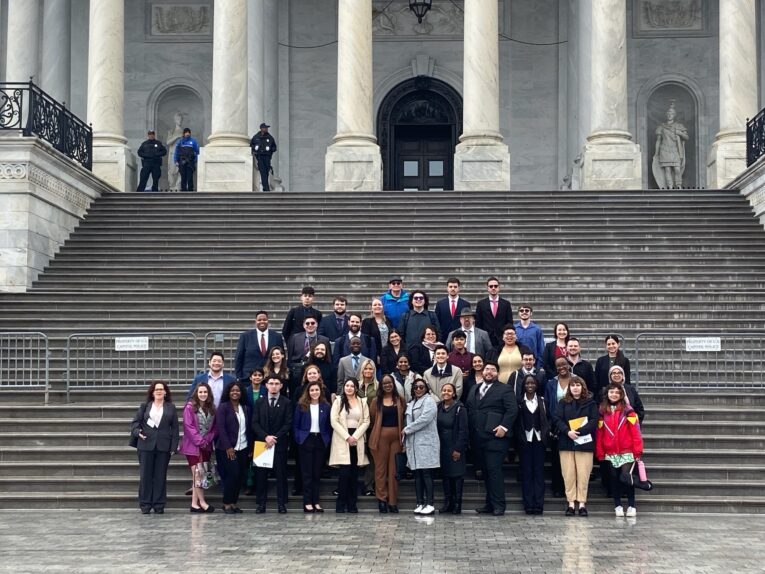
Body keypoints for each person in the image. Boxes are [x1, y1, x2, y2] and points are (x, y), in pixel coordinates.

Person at [466, 362, 517, 516]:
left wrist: (504, 427)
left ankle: (499, 505)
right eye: (487, 369)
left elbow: (512, 410)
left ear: (497, 373)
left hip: (495, 438)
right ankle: (489, 504)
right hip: (477, 437)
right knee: (486, 472)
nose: (489, 372)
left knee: (494, 471)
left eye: (492, 370)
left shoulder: (505, 389)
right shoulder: (475, 388)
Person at [130, 380, 179, 514]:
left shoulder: (171, 407)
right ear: (152, 392)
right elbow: (135, 423)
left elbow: (175, 429)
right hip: (145, 445)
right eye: (156, 389)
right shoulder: (145, 406)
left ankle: (159, 504)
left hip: (163, 446)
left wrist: (174, 446)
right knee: (145, 476)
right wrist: (138, 432)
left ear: (165, 392)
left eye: (161, 389)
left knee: (160, 476)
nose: (158, 391)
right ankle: (145, 504)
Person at [596, 383, 644, 518]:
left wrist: (637, 450)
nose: (614, 395)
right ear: (607, 394)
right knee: (614, 479)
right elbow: (599, 432)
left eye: (617, 392)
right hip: (610, 451)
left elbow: (636, 431)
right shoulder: (602, 411)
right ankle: (617, 505)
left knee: (626, 478)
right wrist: (600, 450)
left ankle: (631, 506)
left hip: (626, 450)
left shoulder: (629, 410)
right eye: (611, 392)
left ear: (621, 394)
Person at [552, 376, 598, 517]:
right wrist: (567, 431)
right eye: (573, 385)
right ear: (569, 388)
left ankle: (582, 504)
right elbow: (556, 419)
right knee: (568, 474)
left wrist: (579, 432)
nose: (575, 388)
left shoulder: (590, 403)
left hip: (584, 443)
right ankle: (571, 504)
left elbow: (594, 420)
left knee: (583, 475)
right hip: (566, 443)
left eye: (578, 385)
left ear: (582, 387)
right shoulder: (563, 403)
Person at [251, 376, 293, 514]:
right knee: (261, 476)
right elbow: (254, 422)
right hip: (262, 444)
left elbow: (288, 423)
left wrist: (274, 437)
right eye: (271, 383)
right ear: (266, 385)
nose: (273, 386)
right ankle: (261, 504)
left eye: (276, 383)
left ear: (281, 385)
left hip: (279, 443)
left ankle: (281, 504)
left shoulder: (287, 402)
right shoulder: (259, 402)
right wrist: (265, 436)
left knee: (281, 475)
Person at [329, 377, 370, 513]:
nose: (349, 388)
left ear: (356, 388)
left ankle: (352, 504)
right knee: (344, 474)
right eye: (347, 385)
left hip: (356, 438)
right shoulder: (338, 401)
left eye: (352, 386)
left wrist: (355, 436)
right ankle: (341, 504)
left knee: (354, 474)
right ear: (344, 387)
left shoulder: (362, 402)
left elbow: (366, 421)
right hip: (343, 438)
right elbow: (334, 421)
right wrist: (347, 437)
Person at [368, 375, 406, 513]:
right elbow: (372, 420)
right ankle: (382, 499)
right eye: (384, 383)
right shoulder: (375, 401)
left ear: (393, 384)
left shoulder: (400, 400)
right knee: (380, 470)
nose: (387, 385)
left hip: (397, 438)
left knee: (394, 470)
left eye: (389, 383)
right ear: (381, 386)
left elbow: (403, 417)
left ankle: (392, 501)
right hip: (380, 437)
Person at [292, 379, 331, 513]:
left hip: (320, 440)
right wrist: (299, 439)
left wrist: (327, 439)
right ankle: (307, 501)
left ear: (321, 392)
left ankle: (316, 501)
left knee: (316, 473)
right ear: (308, 392)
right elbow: (295, 425)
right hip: (306, 440)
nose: (315, 392)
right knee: (307, 473)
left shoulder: (326, 406)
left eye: (317, 390)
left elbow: (328, 426)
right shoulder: (301, 405)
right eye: (312, 390)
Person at [403, 377, 440, 515]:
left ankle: (430, 503)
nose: (418, 389)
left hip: (426, 443)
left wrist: (407, 429)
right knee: (417, 474)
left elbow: (424, 419)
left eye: (421, 387)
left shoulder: (429, 401)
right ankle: (419, 502)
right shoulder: (411, 403)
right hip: (413, 443)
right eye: (416, 387)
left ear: (426, 389)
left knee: (426, 473)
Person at [179, 382, 217, 513]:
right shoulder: (189, 407)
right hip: (193, 446)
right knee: (198, 474)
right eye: (200, 392)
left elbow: (214, 428)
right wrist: (200, 441)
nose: (203, 394)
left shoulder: (212, 408)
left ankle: (194, 503)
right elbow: (188, 427)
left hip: (206, 446)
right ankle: (202, 502)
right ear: (196, 393)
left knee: (199, 475)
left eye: (205, 392)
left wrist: (208, 439)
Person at [216, 381, 252, 514]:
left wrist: (250, 447)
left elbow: (248, 429)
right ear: (228, 392)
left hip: (243, 447)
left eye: (237, 390)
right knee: (233, 474)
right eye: (232, 390)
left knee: (239, 476)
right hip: (227, 448)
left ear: (241, 392)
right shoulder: (223, 407)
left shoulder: (245, 408)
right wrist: (228, 447)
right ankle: (226, 503)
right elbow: (221, 428)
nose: (235, 392)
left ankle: (233, 503)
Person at [516, 374, 549, 515]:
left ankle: (538, 504)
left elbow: (548, 419)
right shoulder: (519, 402)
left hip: (539, 440)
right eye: (527, 383)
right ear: (523, 385)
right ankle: (528, 504)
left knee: (539, 472)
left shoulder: (542, 401)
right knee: (527, 473)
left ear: (536, 385)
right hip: (525, 441)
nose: (530, 386)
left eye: (533, 383)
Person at [436, 382, 468, 514]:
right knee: (446, 475)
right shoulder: (438, 407)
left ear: (454, 393)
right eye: (444, 390)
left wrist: (458, 449)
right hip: (442, 446)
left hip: (454, 445)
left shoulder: (460, 408)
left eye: (449, 391)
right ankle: (448, 502)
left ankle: (457, 504)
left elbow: (463, 430)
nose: (446, 393)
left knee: (456, 476)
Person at [544, 356, 573, 498]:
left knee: (572, 460)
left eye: (564, 364)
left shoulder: (576, 380)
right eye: (558, 365)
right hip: (557, 426)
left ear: (569, 365)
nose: (561, 367)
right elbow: (548, 403)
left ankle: (571, 490)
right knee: (557, 459)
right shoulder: (551, 383)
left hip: (574, 425)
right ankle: (557, 487)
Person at [234, 310, 285, 381]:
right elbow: (239, 357)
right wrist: (239, 376)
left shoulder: (277, 337)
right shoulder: (245, 336)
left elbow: (282, 357)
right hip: (249, 377)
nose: (262, 322)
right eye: (259, 320)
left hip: (271, 378)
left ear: (268, 321)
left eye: (264, 319)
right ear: (255, 321)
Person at [287, 316, 330, 397]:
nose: (310, 325)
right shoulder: (295, 338)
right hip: (299, 371)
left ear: (317, 324)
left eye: (313, 323)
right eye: (307, 323)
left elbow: (328, 356)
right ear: (304, 325)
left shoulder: (325, 339)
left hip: (318, 371)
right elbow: (290, 356)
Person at [653, 100, 688, 189]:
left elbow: (687, 137)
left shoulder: (679, 126)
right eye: (668, 114)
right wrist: (656, 154)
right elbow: (658, 141)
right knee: (667, 170)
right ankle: (670, 186)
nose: (669, 115)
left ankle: (679, 185)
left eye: (671, 114)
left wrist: (680, 133)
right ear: (666, 115)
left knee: (677, 169)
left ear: (674, 115)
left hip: (675, 149)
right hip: (664, 149)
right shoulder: (661, 126)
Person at [474, 277, 514, 348]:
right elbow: (478, 323)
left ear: (499, 288)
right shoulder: (481, 304)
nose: (493, 288)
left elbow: (509, 322)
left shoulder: (506, 304)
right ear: (487, 288)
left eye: (495, 286)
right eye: (491, 286)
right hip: (486, 339)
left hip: (502, 339)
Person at [594, 334, 632, 399]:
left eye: (613, 343)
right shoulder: (600, 360)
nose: (611, 346)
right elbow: (597, 379)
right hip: (604, 394)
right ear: (606, 346)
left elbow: (627, 379)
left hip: (618, 393)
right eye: (609, 344)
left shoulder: (625, 360)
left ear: (618, 344)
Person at [434, 277, 471, 343]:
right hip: (444, 338)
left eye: (455, 287)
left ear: (458, 288)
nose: (453, 289)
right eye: (450, 286)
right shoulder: (440, 304)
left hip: (460, 338)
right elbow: (437, 322)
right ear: (447, 288)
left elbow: (468, 321)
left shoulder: (465, 304)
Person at [361, 297, 392, 366]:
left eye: (379, 304)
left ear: (383, 307)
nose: (377, 306)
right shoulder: (367, 321)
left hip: (388, 354)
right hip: (375, 355)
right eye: (375, 305)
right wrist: (376, 355)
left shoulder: (388, 320)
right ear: (371, 308)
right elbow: (366, 341)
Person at [251, 122, 277, 191]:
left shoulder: (270, 137)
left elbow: (274, 147)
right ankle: (266, 188)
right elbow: (251, 145)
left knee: (266, 171)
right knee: (263, 172)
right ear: (261, 128)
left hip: (267, 157)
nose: (266, 129)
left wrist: (270, 149)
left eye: (267, 128)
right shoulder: (256, 137)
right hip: (259, 156)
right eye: (265, 128)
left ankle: (266, 186)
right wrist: (255, 148)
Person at [173, 127, 199, 192]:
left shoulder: (193, 141)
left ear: (190, 133)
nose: (187, 134)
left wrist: (195, 159)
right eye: (186, 132)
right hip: (182, 162)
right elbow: (176, 151)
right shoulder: (180, 142)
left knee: (190, 177)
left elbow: (197, 151)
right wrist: (175, 160)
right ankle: (183, 190)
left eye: (188, 132)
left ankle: (190, 190)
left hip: (190, 162)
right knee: (183, 176)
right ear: (184, 134)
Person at [165, 112, 184, 190]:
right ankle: (172, 187)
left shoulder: (184, 132)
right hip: (173, 154)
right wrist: (176, 136)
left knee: (180, 171)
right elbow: (168, 142)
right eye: (178, 119)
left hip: (181, 154)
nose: (180, 121)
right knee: (172, 171)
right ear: (175, 120)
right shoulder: (171, 131)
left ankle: (178, 187)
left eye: (181, 119)